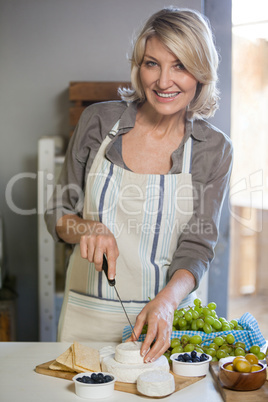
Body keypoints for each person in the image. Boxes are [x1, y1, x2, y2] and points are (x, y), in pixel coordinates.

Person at [45, 7, 233, 363]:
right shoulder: (97, 122)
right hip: (87, 317)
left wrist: (166, 303)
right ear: (138, 66)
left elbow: (197, 245)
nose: (163, 82)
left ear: (202, 73)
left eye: (180, 65)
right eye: (152, 64)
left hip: (162, 324)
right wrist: (86, 227)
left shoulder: (215, 149)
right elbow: (58, 213)